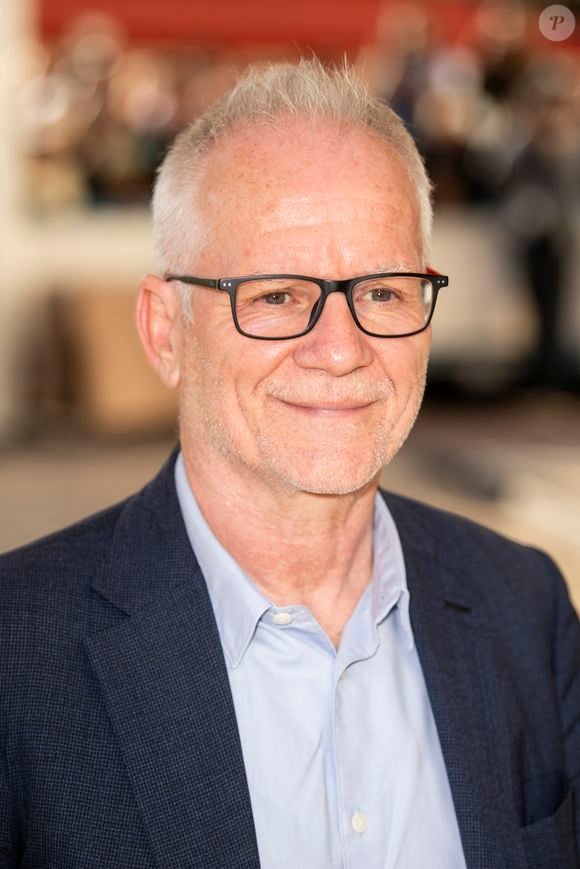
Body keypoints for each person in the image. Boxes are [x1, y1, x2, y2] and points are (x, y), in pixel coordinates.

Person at [1, 60, 578, 869]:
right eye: (275, 295)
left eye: (382, 291)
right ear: (167, 331)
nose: (340, 349)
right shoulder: (18, 652)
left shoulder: (526, 609)